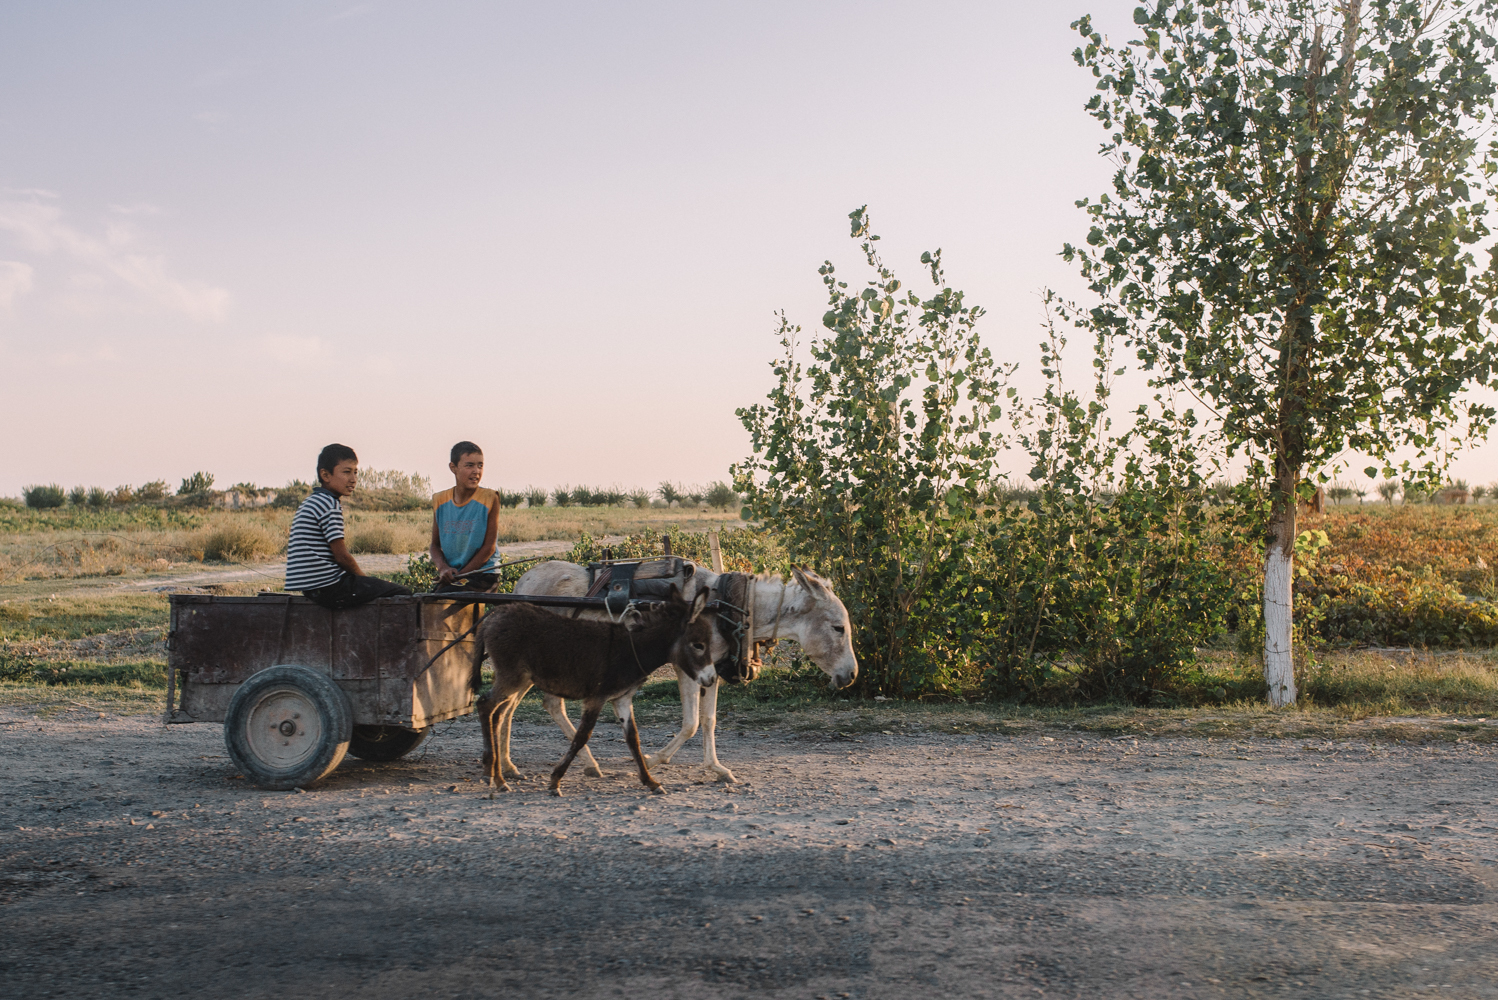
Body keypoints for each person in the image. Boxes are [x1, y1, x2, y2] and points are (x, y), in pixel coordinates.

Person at [285, 443, 412, 609]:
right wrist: (363, 579)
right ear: (325, 475)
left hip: (311, 588)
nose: (353, 479)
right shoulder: (329, 504)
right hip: (329, 586)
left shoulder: (311, 501)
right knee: (403, 594)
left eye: (355, 472)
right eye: (346, 472)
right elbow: (342, 556)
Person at [430, 440, 503, 592]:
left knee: (443, 596)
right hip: (453, 575)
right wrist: (443, 568)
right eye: (469, 465)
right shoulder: (440, 500)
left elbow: (489, 547)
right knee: (427, 601)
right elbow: (434, 546)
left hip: (482, 574)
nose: (476, 471)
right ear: (453, 468)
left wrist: (463, 574)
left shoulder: (489, 498)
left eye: (480, 465)